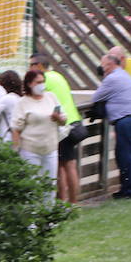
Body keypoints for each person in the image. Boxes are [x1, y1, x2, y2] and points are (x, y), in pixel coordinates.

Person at [91, 51, 131, 199]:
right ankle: (127, 188)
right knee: (128, 155)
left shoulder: (112, 79)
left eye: (103, 65)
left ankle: (130, 190)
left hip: (126, 120)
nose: (101, 68)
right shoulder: (124, 74)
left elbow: (96, 97)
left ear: (109, 65)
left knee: (126, 156)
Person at [30, 53, 84, 202]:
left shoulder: (44, 79)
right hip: (75, 122)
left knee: (60, 166)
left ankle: (65, 202)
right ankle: (72, 202)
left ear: (38, 66)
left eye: (31, 65)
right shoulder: (58, 76)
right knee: (70, 164)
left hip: (63, 127)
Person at [11, 69, 66, 202]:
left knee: (50, 184)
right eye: (38, 82)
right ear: (29, 83)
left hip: (50, 148)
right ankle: (33, 214)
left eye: (43, 82)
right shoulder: (22, 102)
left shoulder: (51, 97)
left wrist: (57, 118)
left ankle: (49, 212)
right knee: (33, 185)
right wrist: (15, 150)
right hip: (30, 149)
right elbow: (16, 128)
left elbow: (64, 120)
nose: (41, 85)